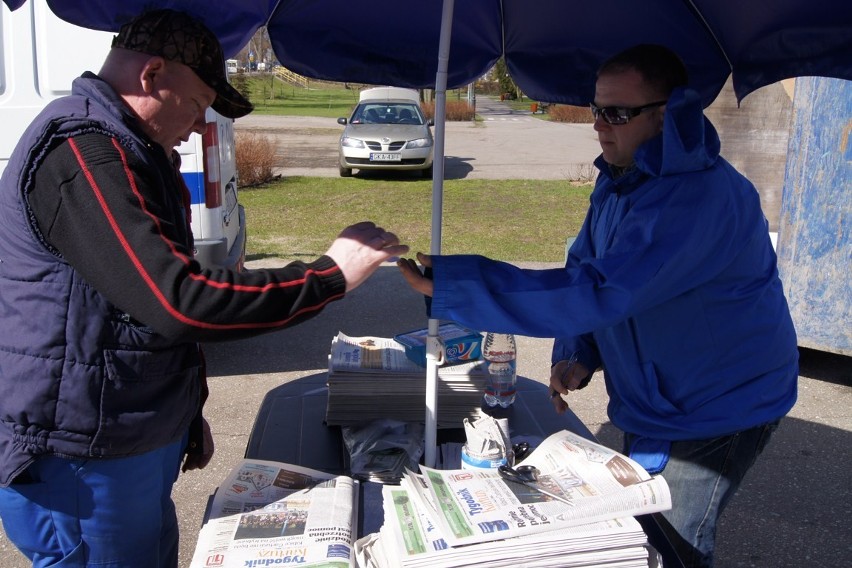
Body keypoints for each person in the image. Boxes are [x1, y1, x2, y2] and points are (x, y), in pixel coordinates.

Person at [0, 9, 407, 568]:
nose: (198, 125)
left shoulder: (133, 150)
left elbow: (134, 312)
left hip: (128, 438)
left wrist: (183, 414)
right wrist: (329, 275)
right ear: (152, 76)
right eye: (196, 105)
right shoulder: (82, 155)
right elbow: (179, 300)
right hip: (84, 454)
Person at [397, 44, 797, 568]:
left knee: (667, 545)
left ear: (667, 113)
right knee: (636, 528)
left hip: (718, 406)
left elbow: (603, 291)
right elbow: (585, 264)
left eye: (617, 113)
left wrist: (460, 285)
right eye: (596, 109)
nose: (599, 125)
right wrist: (579, 351)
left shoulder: (699, 198)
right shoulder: (621, 182)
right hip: (659, 397)